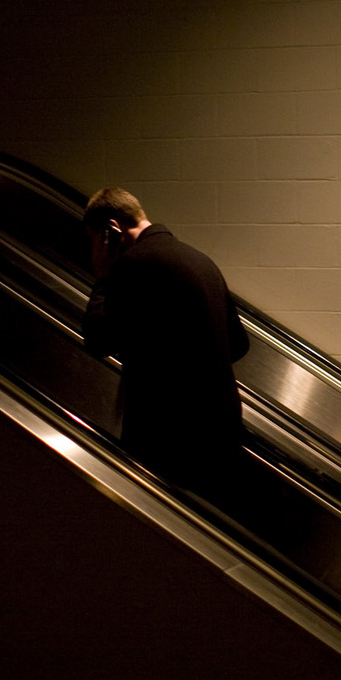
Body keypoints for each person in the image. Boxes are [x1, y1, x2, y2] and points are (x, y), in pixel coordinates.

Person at [82, 187, 249, 484]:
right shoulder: (200, 260)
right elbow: (238, 344)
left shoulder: (133, 264)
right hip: (224, 430)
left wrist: (104, 274)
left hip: (171, 438)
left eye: (94, 241)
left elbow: (97, 339)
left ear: (111, 231)